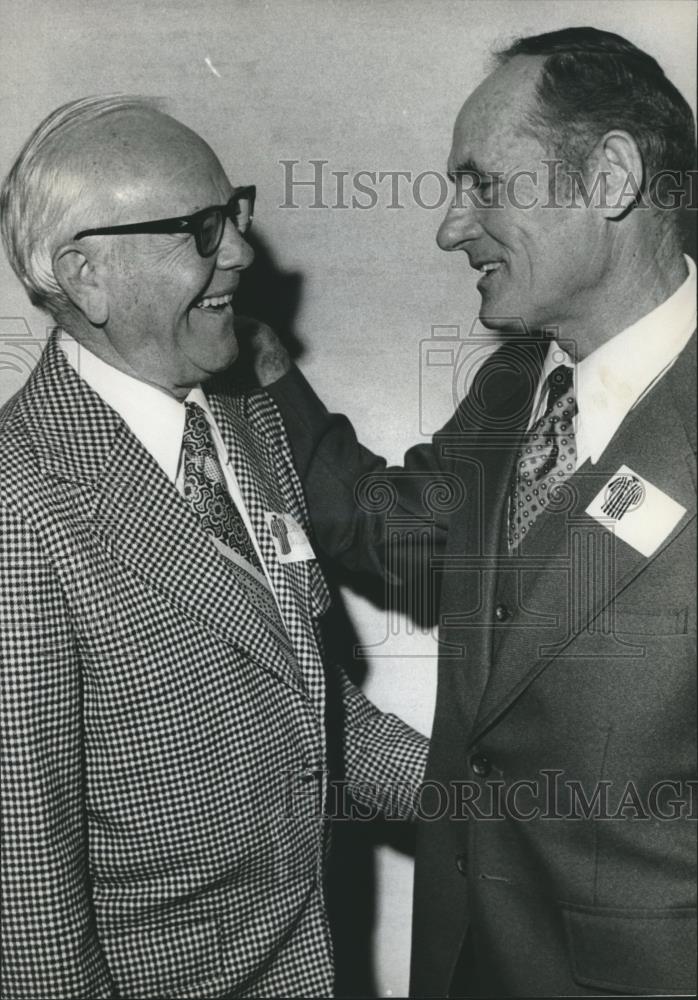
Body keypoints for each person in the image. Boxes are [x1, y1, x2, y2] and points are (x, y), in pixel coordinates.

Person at [253, 28, 697, 998]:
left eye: (482, 185)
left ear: (611, 176)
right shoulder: (512, 389)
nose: (448, 228)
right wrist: (265, 367)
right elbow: (390, 531)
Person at [0, 96, 429, 999]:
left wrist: (499, 803)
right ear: (87, 275)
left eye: (233, 212)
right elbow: (27, 879)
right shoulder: (21, 500)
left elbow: (306, 707)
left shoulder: (247, 423)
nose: (239, 250)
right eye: (200, 229)